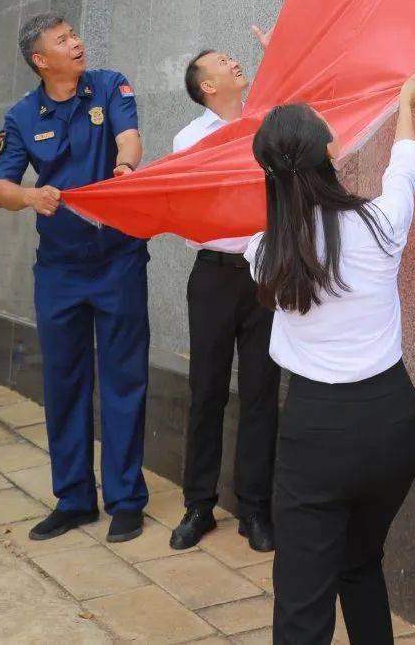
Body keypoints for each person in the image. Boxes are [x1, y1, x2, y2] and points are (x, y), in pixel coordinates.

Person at [244, 73, 415, 645]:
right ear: (331, 151)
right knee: (360, 563)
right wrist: (405, 105)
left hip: (316, 432)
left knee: (303, 599)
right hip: (394, 424)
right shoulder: (378, 225)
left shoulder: (264, 252)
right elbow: (404, 169)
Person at [0, 13, 149, 543]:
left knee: (124, 380)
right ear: (41, 60)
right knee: (64, 381)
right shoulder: (20, 116)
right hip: (59, 270)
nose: (76, 42)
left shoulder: (107, 84)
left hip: (118, 260)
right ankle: (75, 498)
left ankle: (126, 499)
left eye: (74, 34)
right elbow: (1, 189)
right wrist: (32, 196)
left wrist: (125, 170)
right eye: (63, 40)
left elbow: (128, 138)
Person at [169, 46, 279, 553]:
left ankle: (255, 508)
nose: (234, 62)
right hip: (213, 276)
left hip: (264, 275)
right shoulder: (190, 140)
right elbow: (189, 209)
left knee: (261, 391)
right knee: (207, 390)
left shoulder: (266, 122)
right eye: (222, 61)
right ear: (205, 86)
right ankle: (198, 505)